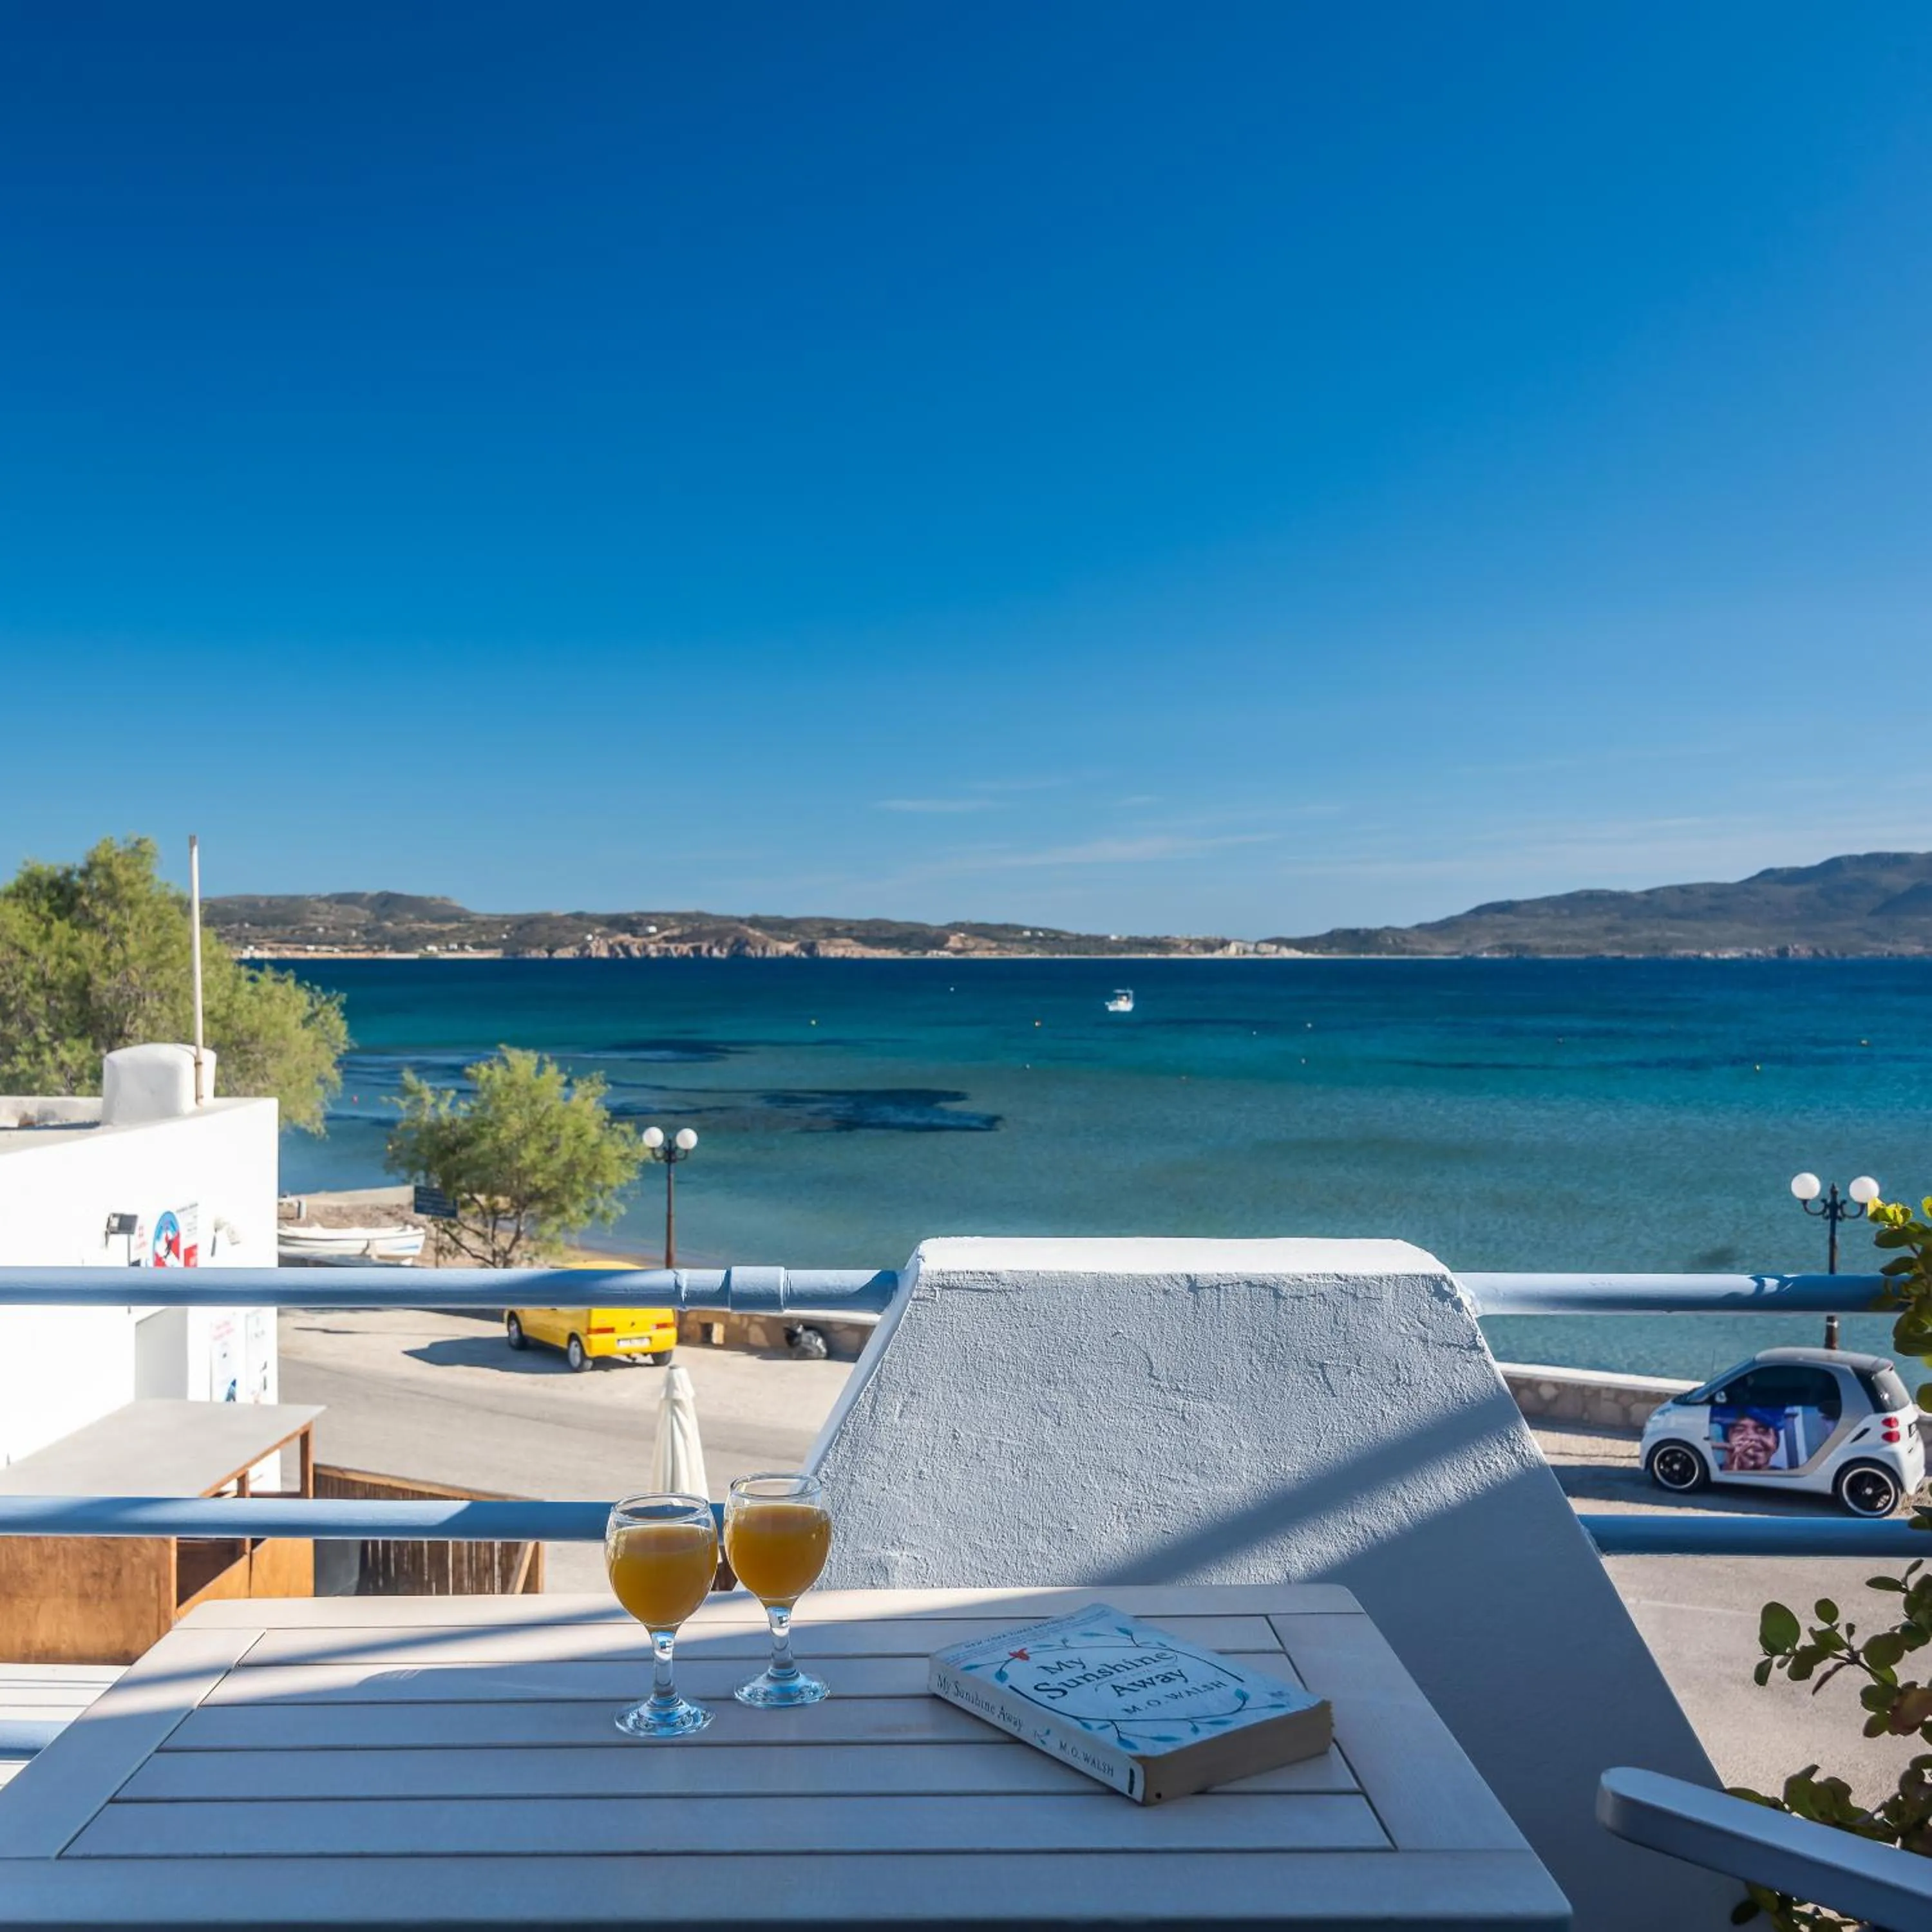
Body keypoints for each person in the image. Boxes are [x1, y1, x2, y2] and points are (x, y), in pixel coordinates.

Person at [1717, 1408, 1783, 1472]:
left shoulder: (1785, 1478)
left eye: (1762, 1431)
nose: (1752, 1437)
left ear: (1775, 1442)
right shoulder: (1709, 1476)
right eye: (1739, 1430)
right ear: (1728, 1440)